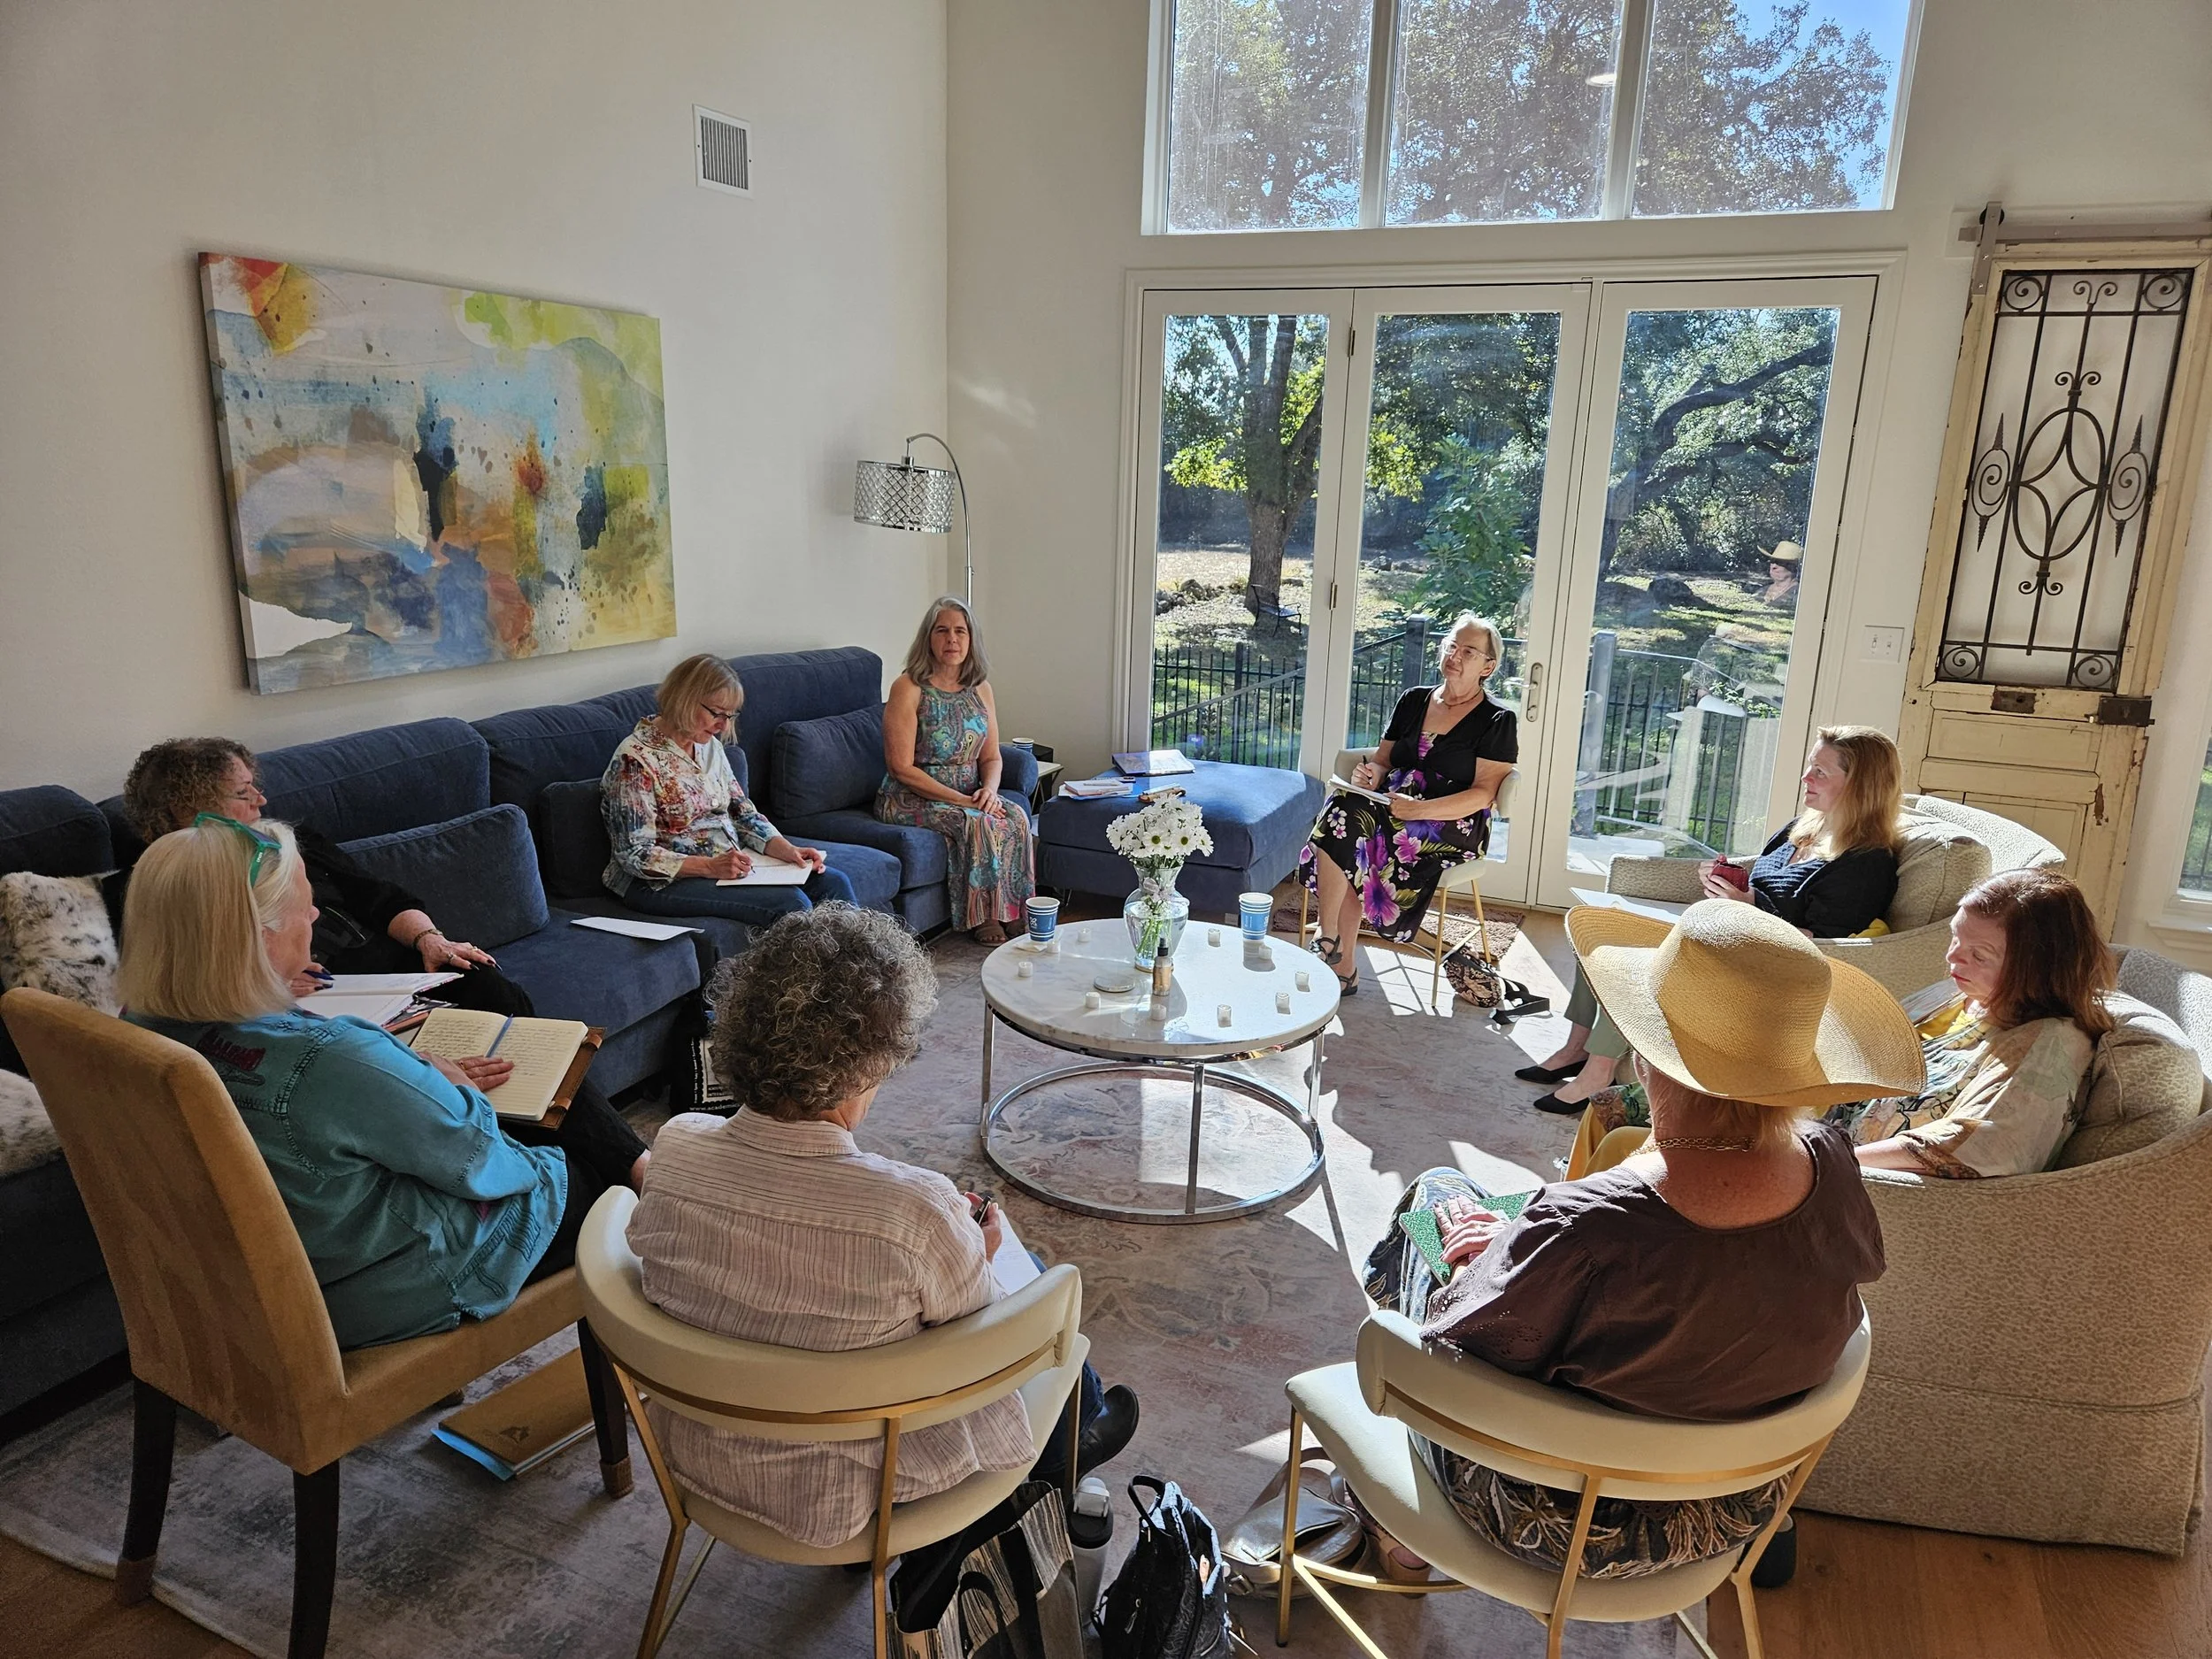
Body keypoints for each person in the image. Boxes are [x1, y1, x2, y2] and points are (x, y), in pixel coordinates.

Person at [1363, 900, 1919, 1581]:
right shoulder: (1832, 1160)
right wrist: (1532, 1226)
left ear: (1648, 1053)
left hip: (1567, 1520)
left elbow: (1465, 1338)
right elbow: (1720, 1262)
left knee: (1436, 1196)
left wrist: (1495, 1256)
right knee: (1510, 1214)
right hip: (1733, 1502)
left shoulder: (1585, 1227)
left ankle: (1400, 1526)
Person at [626, 904, 1138, 1549]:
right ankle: (1074, 1437)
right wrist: (974, 1255)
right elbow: (989, 1350)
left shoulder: (674, 1149)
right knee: (1028, 1275)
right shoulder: (913, 1212)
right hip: (861, 1487)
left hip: (703, 1460)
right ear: (868, 1065)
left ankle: (1079, 1428)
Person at [116, 817, 649, 1348]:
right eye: (304, 904)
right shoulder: (334, 1056)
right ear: (257, 934)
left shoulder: (133, 1029)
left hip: (231, 1287)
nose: (316, 914)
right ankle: (661, 1210)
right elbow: (485, 1164)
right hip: (371, 1295)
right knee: (592, 1176)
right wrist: (450, 1087)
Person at [1525, 724, 1904, 1113]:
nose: (1806, 778)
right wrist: (1725, 880)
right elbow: (1759, 878)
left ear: (1861, 785)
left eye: (1820, 772)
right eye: (1810, 766)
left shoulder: (1866, 864)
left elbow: (1821, 945)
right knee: (1603, 931)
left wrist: (1747, 907)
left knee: (1640, 957)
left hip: (1764, 970)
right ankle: (1575, 1048)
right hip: (1728, 936)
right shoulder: (1803, 829)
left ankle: (1597, 1072)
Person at [124, 737, 530, 1015]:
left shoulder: (296, 843)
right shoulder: (159, 887)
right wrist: (272, 984)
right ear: (189, 808)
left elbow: (382, 898)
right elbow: (169, 982)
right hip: (324, 1006)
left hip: (398, 980)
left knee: (486, 986)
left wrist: (431, 939)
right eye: (243, 792)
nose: (261, 800)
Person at [1829, 870, 2112, 1179]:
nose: (1953, 957)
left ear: (2036, 970)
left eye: (1979, 955)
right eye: (1955, 937)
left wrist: (1823, 1164)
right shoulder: (1957, 994)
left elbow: (1980, 1145)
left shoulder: (2050, 1044)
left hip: (1857, 1181)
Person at [1298, 613, 1517, 995]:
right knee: (1347, 812)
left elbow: (1483, 794)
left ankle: (1332, 944)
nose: (1455, 655)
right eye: (1452, 645)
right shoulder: (1414, 699)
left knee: (1350, 827)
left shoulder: (1498, 719)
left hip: (1449, 820)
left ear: (1488, 666)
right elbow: (1383, 760)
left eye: (1468, 651)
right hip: (1390, 803)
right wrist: (1373, 777)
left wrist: (1419, 810)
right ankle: (1337, 950)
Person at [601, 653, 856, 927]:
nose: (723, 725)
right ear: (684, 698)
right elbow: (634, 854)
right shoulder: (635, 759)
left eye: (730, 716)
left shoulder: (708, 745)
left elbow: (741, 811)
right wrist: (710, 867)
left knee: (833, 884)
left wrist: (786, 849)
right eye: (716, 713)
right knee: (791, 905)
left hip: (728, 865)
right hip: (657, 884)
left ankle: (863, 969)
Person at [875, 596, 1034, 944]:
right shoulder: (909, 687)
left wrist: (989, 791)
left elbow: (991, 757)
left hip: (970, 792)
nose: (952, 639)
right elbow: (900, 767)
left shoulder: (981, 688)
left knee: (1016, 816)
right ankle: (983, 918)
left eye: (960, 631)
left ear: (971, 639)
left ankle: (1016, 912)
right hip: (910, 795)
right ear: (928, 639)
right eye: (942, 631)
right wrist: (964, 800)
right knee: (975, 822)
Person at [1760, 540, 1803, 611]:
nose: (1773, 566)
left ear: (1793, 567)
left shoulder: (1799, 595)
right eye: (1772, 561)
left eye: (1780, 563)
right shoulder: (1761, 591)